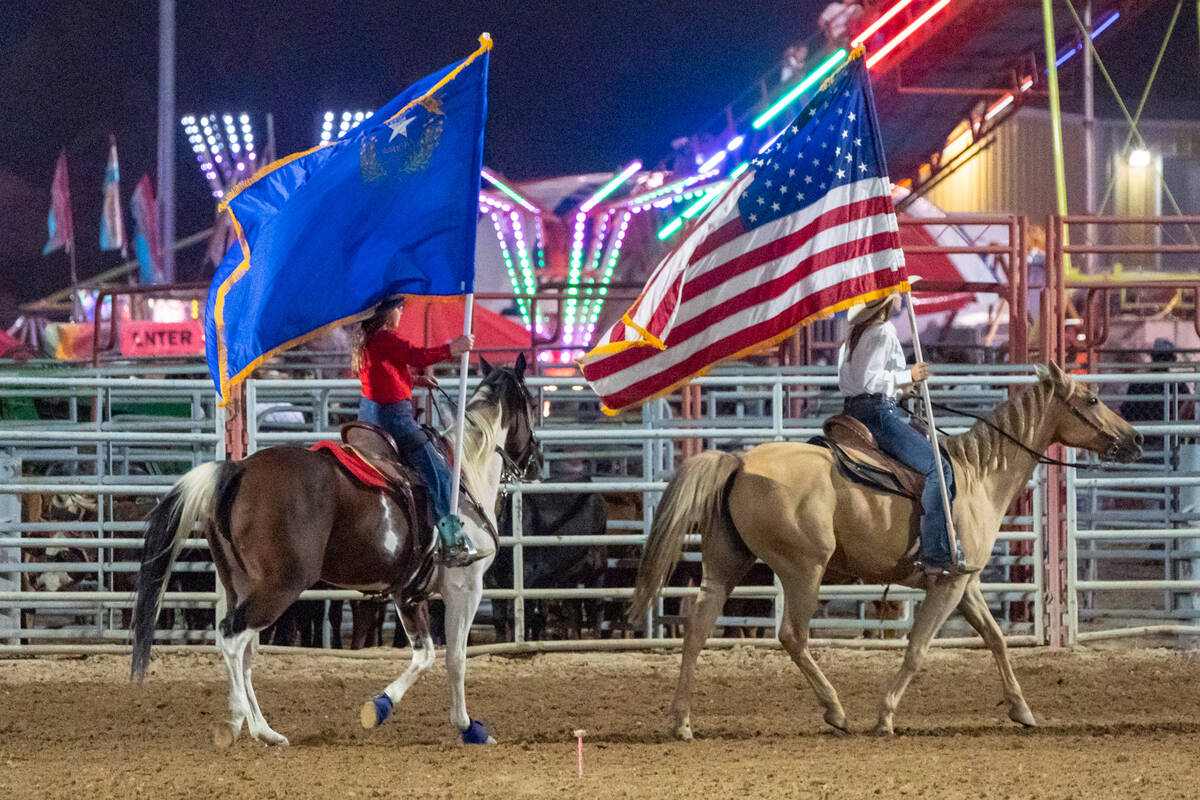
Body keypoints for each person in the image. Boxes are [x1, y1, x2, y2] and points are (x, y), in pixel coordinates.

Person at [837, 292, 974, 578]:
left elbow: (853, 381)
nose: (902, 296)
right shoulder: (883, 331)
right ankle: (937, 552)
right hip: (877, 414)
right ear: (887, 302)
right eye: (897, 293)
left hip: (853, 412)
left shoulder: (854, 334)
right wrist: (907, 376)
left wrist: (900, 386)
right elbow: (870, 381)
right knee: (938, 469)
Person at [352, 297, 481, 567]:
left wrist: (414, 379)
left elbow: (384, 374)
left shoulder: (369, 342)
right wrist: (453, 348)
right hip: (393, 417)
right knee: (438, 469)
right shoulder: (386, 339)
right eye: (399, 308)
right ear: (388, 313)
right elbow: (416, 355)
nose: (401, 312)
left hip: (368, 415)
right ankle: (452, 538)